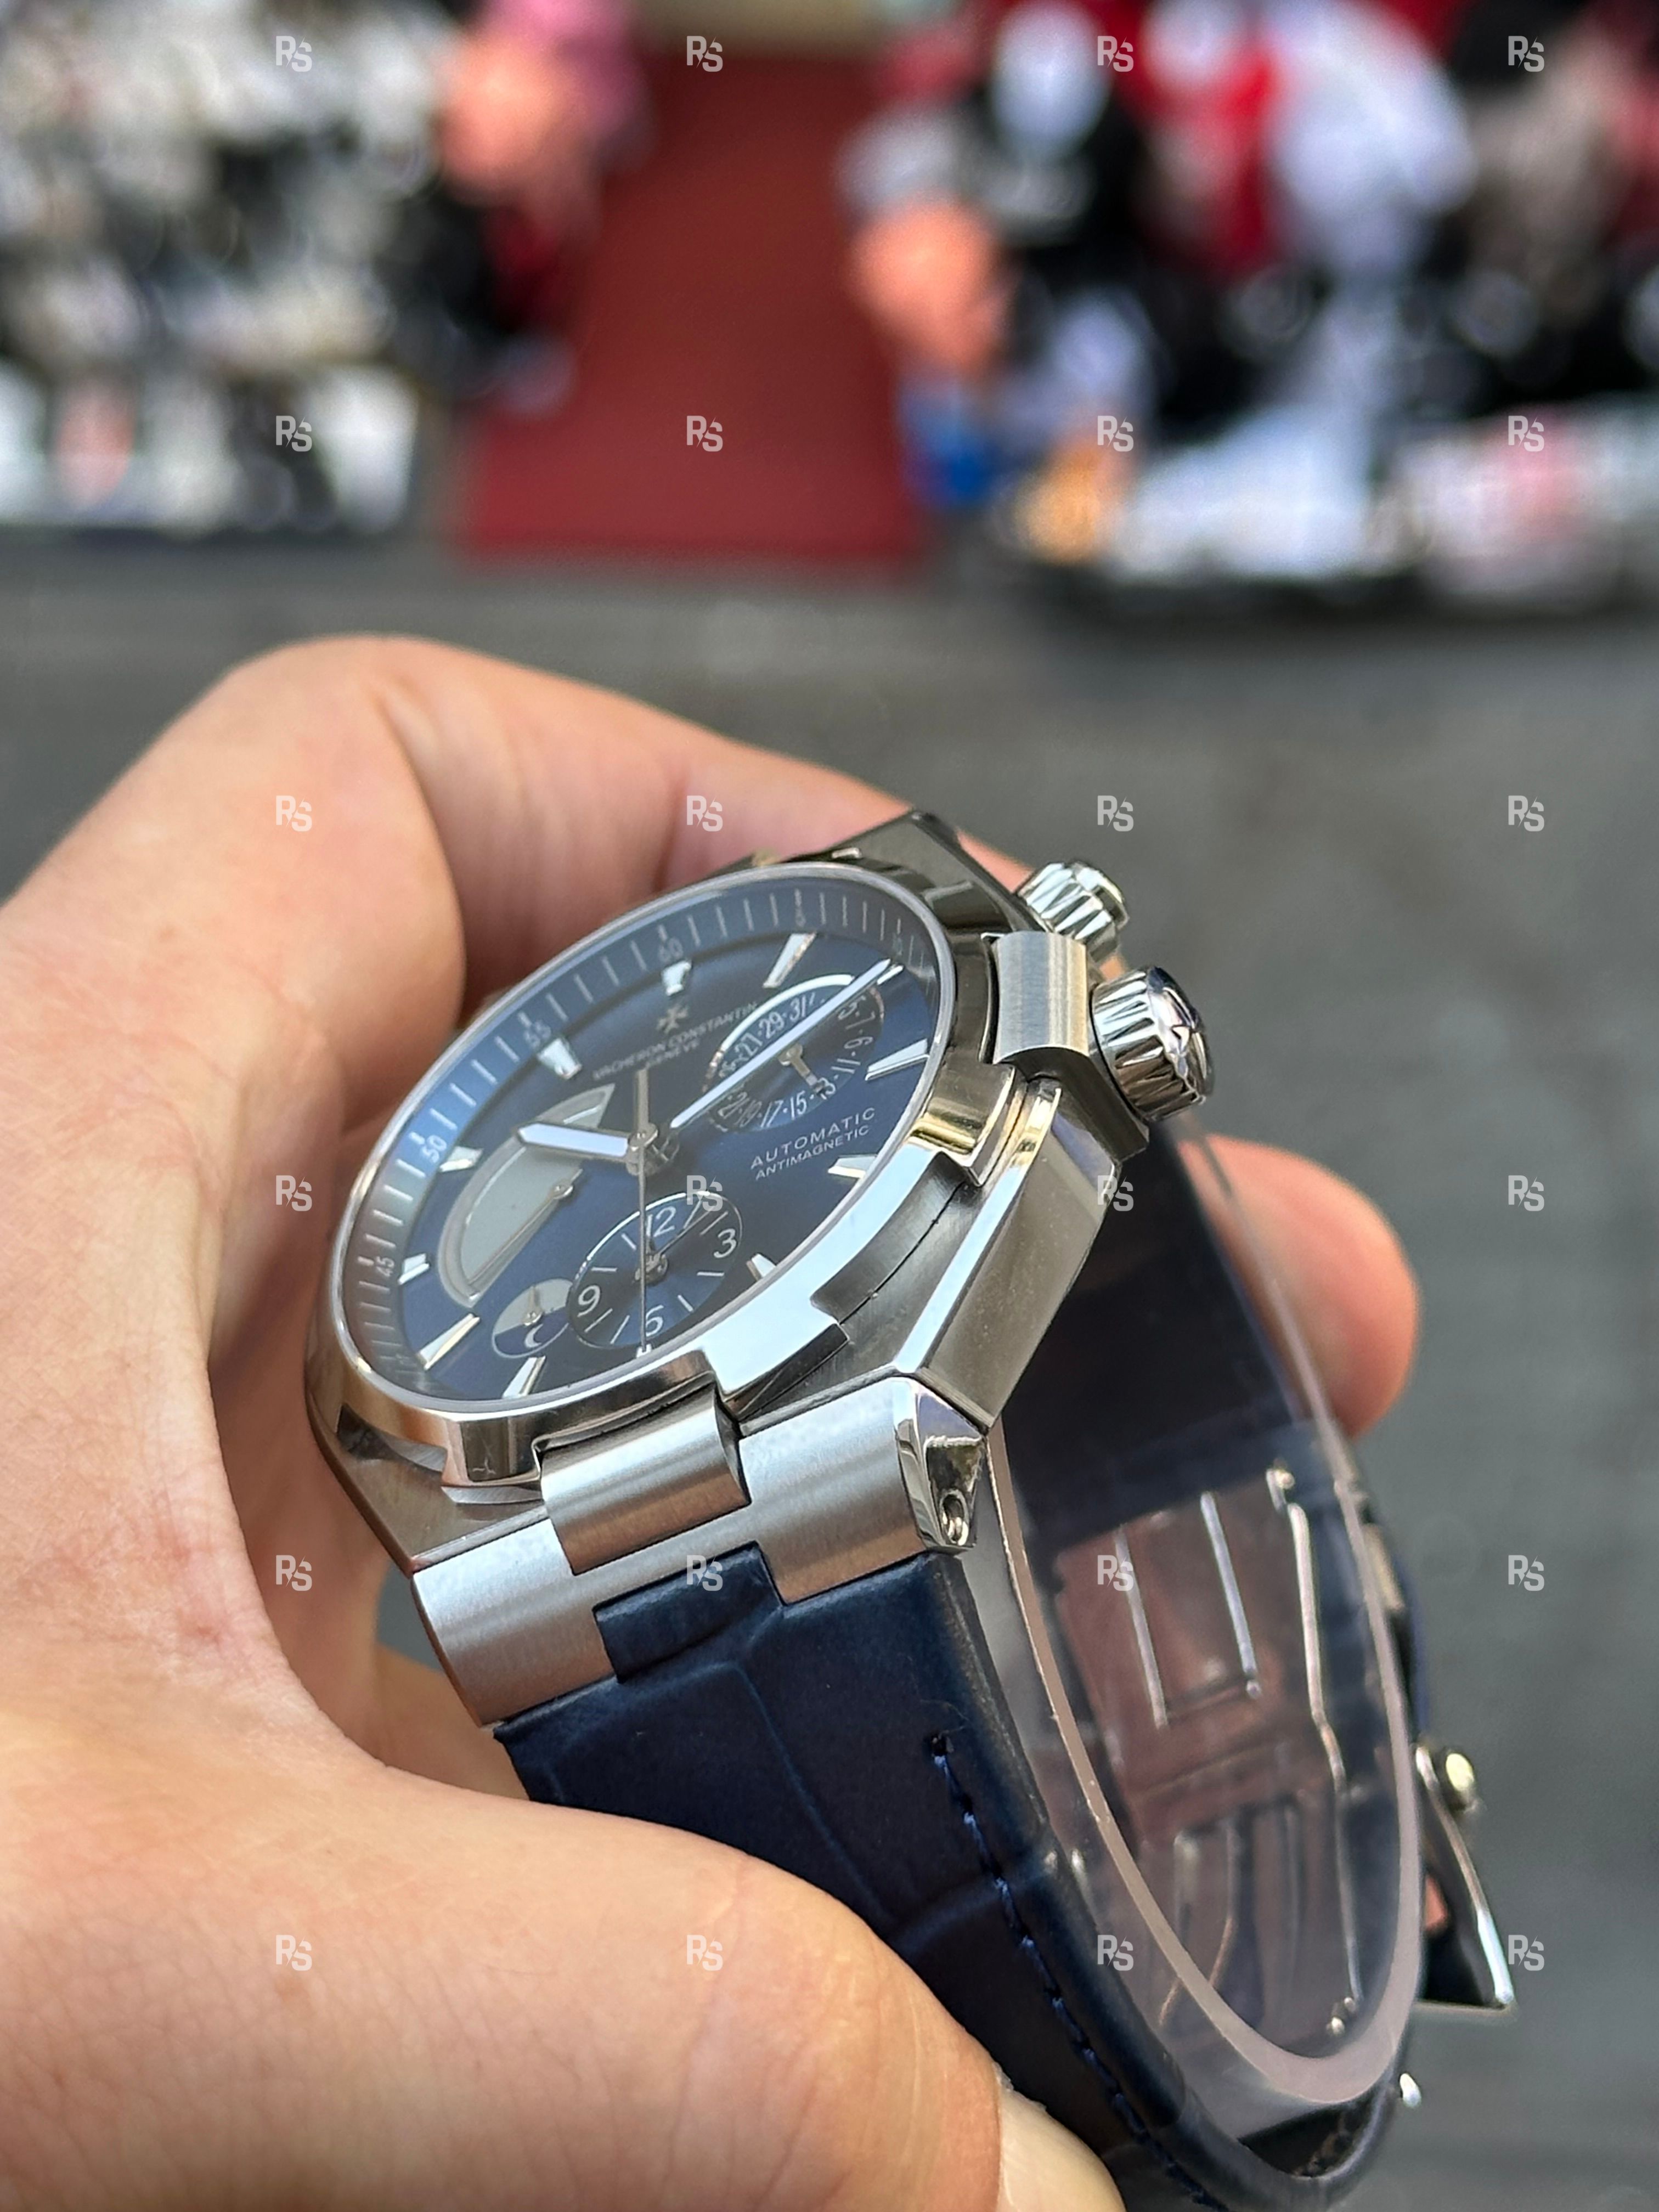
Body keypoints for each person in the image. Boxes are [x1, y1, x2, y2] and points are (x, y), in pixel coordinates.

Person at [0, 639, 1419, 2211]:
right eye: (610, 1137)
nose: (645, 1150)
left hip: (755, 1444)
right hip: (533, 1481)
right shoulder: (418, 1424)